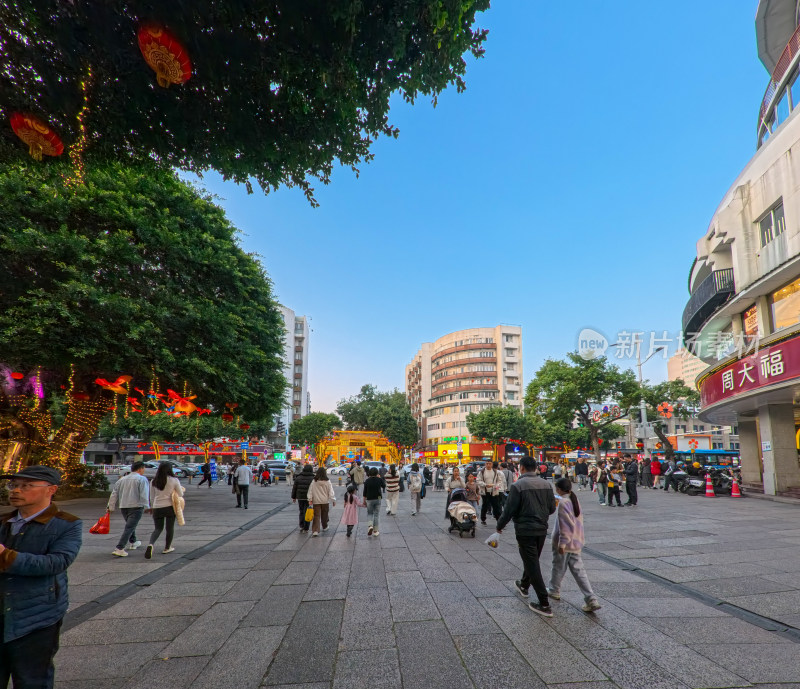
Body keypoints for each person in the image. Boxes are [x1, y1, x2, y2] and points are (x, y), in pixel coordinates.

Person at [0, 466, 82, 689]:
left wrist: (5, 556)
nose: (16, 490)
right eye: (13, 485)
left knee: (32, 680)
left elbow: (57, 563)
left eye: (26, 485)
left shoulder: (67, 524)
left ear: (51, 490)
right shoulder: (3, 521)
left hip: (37, 617)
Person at [496, 456, 557, 618]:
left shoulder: (518, 486)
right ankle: (524, 584)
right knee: (532, 559)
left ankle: (544, 602)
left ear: (521, 468)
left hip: (525, 529)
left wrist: (499, 526)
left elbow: (509, 510)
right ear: (536, 468)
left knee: (532, 563)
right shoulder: (546, 484)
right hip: (542, 529)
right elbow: (552, 508)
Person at [547, 478, 601, 613]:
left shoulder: (563, 503)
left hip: (566, 543)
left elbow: (565, 525)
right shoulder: (574, 499)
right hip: (576, 541)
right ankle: (591, 598)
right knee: (579, 571)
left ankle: (554, 590)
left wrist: (562, 544)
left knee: (558, 566)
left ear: (559, 489)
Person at [107, 460, 150, 557]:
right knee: (130, 527)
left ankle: (133, 541)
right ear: (140, 469)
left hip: (124, 506)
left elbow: (114, 494)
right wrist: (147, 506)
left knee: (130, 525)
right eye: (143, 469)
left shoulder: (122, 479)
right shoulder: (142, 479)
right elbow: (144, 494)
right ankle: (120, 547)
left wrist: (111, 506)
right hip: (136, 506)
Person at [145, 462, 185, 559]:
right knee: (169, 528)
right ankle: (167, 547)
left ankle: (151, 544)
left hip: (157, 507)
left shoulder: (154, 481)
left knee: (158, 529)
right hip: (169, 507)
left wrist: (151, 507)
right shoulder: (174, 480)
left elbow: (151, 496)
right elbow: (180, 494)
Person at [308, 467, 336, 536]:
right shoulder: (327, 481)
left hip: (316, 501)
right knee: (325, 515)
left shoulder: (314, 481)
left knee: (316, 516)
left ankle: (315, 530)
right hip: (325, 501)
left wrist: (310, 499)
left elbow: (310, 490)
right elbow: (331, 491)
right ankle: (325, 526)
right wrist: (333, 500)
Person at [291, 463, 314, 532]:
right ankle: (306, 528)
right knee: (307, 512)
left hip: (300, 497)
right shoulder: (313, 478)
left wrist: (294, 497)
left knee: (301, 511)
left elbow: (294, 488)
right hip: (308, 498)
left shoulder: (298, 477)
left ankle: (301, 525)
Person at [362, 467, 385, 536]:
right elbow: (384, 486)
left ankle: (370, 526)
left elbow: (364, 492)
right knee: (376, 514)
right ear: (376, 473)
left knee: (370, 513)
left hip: (369, 498)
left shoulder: (367, 481)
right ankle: (375, 531)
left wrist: (364, 500)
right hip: (378, 498)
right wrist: (380, 477)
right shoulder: (379, 479)